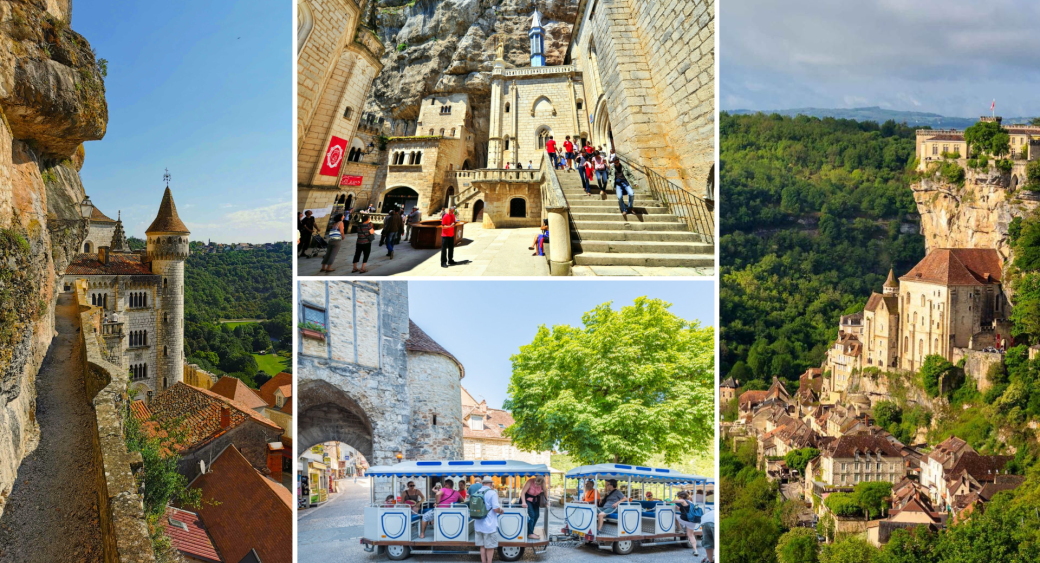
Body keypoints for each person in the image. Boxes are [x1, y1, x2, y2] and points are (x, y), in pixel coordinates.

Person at [473, 476, 503, 563]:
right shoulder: (492, 493)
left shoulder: (477, 491)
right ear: (491, 483)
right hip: (489, 525)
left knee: (482, 546)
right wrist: (501, 511)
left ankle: (483, 561)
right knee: (489, 547)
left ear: (482, 483)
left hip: (478, 524)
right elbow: (495, 509)